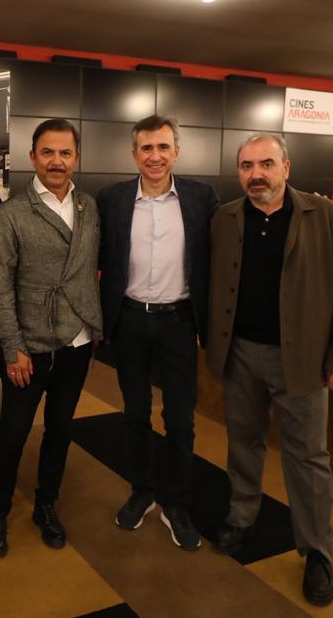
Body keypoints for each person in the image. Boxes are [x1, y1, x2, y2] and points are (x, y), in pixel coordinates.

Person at [206, 133, 333, 607]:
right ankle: (241, 518)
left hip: (303, 359)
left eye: (267, 164)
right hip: (241, 354)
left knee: (308, 459)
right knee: (244, 444)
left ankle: (317, 553)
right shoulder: (225, 218)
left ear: (287, 168)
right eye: (248, 165)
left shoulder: (325, 216)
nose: (257, 174)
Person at [0, 118, 102, 559]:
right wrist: (12, 346)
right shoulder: (14, 212)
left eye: (65, 153)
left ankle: (46, 505)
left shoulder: (89, 207)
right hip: (29, 344)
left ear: (77, 158)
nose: (57, 161)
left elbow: (91, 269)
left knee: (61, 430)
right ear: (33, 157)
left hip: (78, 338)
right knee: (13, 432)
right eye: (48, 152)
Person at [97, 115, 218, 549]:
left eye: (163, 147)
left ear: (177, 152)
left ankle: (176, 503)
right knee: (134, 413)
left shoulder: (203, 198)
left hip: (179, 321)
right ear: (134, 155)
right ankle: (142, 492)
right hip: (128, 320)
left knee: (180, 419)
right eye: (146, 148)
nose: (155, 156)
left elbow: (227, 251)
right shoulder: (110, 200)